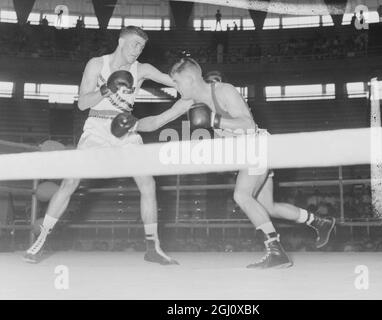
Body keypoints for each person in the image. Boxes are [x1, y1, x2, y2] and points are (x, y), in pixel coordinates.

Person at [112, 58, 336, 269]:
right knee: (267, 207)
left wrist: (213, 119)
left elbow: (248, 124)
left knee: (242, 195)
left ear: (190, 80)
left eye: (178, 83)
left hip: (256, 145)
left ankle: (276, 252)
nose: (176, 88)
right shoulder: (188, 101)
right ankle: (319, 222)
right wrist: (132, 125)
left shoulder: (224, 91)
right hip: (246, 152)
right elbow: (158, 121)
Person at [23, 26, 179, 266]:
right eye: (134, 44)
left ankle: (152, 247)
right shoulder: (97, 64)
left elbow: (174, 82)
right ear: (121, 40)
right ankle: (41, 240)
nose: (137, 50)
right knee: (71, 181)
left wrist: (199, 85)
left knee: (148, 182)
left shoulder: (142, 69)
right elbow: (82, 104)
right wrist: (106, 88)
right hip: (97, 126)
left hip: (126, 126)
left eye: (142, 47)